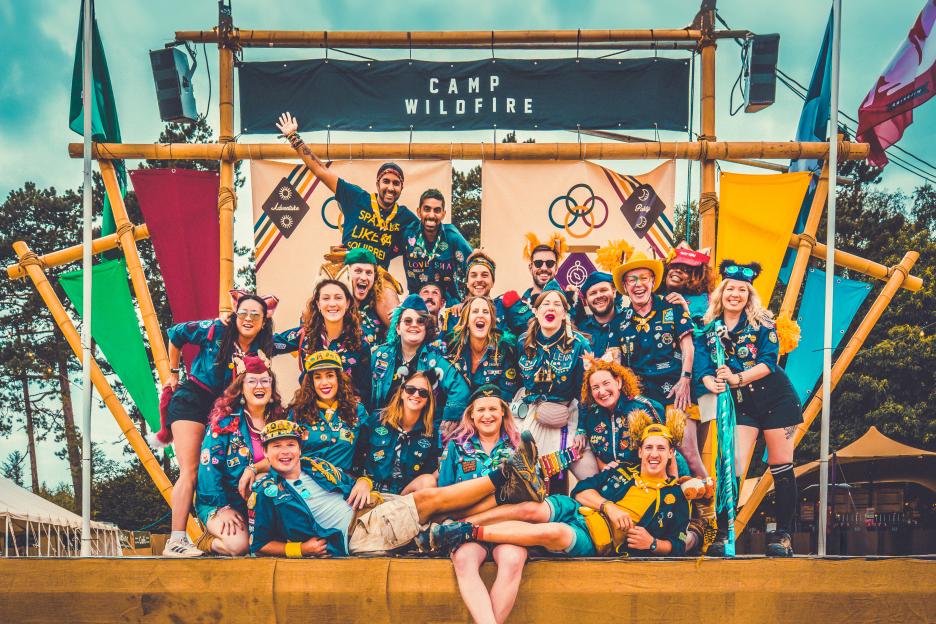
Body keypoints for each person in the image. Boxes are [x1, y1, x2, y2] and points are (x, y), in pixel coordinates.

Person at [249, 420, 545, 557]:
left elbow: (353, 483)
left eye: (290, 445)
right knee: (431, 499)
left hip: (372, 510)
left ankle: (510, 493)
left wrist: (363, 482)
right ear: (267, 452)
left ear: (300, 449)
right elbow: (259, 543)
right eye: (276, 447)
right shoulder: (269, 492)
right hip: (358, 534)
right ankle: (505, 475)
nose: (285, 452)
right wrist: (299, 549)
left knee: (449, 510)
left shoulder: (317, 466)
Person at [439, 410, 693, 558]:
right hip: (576, 508)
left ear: (672, 453)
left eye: (661, 448)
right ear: (639, 452)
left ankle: (465, 532)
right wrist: (609, 507)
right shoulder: (624, 471)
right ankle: (455, 524)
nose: (654, 454)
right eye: (649, 447)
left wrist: (652, 543)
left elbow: (681, 544)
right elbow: (581, 491)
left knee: (555, 532)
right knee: (532, 508)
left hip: (595, 538)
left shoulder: (675, 497)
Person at [159, 291, 282, 557]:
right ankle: (176, 539)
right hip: (194, 399)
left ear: (264, 321)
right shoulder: (215, 329)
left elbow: (293, 343)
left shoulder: (262, 348)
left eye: (255, 315)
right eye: (244, 313)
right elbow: (175, 334)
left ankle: (226, 527)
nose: (248, 319)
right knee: (191, 470)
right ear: (236, 315)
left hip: (224, 405)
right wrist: (173, 372)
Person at [697, 260, 802, 557]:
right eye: (730, 288)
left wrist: (736, 378)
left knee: (781, 465)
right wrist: (710, 381)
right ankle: (722, 533)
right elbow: (703, 365)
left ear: (749, 295)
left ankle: (782, 536)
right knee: (732, 464)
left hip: (777, 401)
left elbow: (770, 362)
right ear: (721, 292)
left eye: (742, 290)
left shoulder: (763, 323)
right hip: (742, 405)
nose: (735, 294)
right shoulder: (708, 328)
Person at [275, 112, 417, 267]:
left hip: (378, 276)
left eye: (396, 183)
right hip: (347, 269)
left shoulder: (405, 217)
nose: (390, 188)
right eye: (386, 182)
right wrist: (294, 138)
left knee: (391, 293)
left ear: (401, 188)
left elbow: (425, 236)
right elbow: (322, 171)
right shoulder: (356, 197)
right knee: (324, 288)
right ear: (377, 184)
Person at [438, 385, 526, 624]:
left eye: (493, 409)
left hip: (507, 526)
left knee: (514, 559)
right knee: (464, 559)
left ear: (503, 413)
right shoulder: (456, 447)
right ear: (472, 415)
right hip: (468, 527)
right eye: (481, 410)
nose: (487, 415)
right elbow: (444, 493)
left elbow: (532, 492)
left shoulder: (519, 448)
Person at [194, 353, 285, 556]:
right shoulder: (225, 423)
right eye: (252, 381)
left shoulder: (281, 421)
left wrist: (256, 469)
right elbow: (209, 469)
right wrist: (222, 507)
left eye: (265, 381)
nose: (259, 386)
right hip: (224, 501)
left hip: (267, 502)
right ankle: (206, 542)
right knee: (239, 546)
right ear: (241, 388)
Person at [515, 279, 596, 490]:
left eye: (557, 304)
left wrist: (582, 430)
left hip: (566, 413)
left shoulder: (579, 344)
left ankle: (562, 510)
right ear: (536, 311)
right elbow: (514, 383)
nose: (551, 307)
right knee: (526, 473)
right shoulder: (523, 342)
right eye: (545, 304)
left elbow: (585, 392)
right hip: (530, 411)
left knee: (585, 474)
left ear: (565, 313)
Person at [610, 250, 695, 414]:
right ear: (626, 287)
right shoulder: (618, 321)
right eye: (631, 280)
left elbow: (688, 347)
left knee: (687, 439)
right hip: (638, 396)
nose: (638, 284)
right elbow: (616, 362)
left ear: (653, 281)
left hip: (676, 389)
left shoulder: (672, 306)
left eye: (644, 278)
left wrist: (685, 379)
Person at [371, 295, 470, 432]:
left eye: (420, 321)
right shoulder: (380, 355)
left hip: (419, 434)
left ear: (426, 328)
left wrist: (446, 420)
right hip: (381, 430)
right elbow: (365, 390)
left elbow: (460, 389)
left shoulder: (435, 360)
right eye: (407, 321)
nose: (414, 325)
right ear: (398, 328)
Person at [275, 276, 372, 408]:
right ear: (318, 304)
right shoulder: (305, 335)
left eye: (338, 298)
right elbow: (271, 344)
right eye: (326, 298)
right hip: (310, 413)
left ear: (348, 303)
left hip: (347, 416)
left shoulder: (360, 342)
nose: (332, 303)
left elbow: (365, 390)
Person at [359, 370, 443, 495]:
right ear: (402, 392)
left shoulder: (431, 434)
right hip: (371, 489)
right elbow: (357, 455)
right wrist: (362, 480)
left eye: (423, 392)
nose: (416, 394)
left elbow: (429, 472)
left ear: (428, 400)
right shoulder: (378, 419)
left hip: (404, 495)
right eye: (410, 389)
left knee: (428, 481)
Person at [288, 350, 369, 472]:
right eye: (318, 377)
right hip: (305, 483)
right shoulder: (298, 412)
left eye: (330, 375)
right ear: (311, 382)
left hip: (341, 485)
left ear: (338, 378)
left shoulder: (357, 410)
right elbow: (286, 452)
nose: (324, 383)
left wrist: (363, 479)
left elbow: (367, 450)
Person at [579, 357, 664, 470]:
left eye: (606, 383)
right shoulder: (592, 417)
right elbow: (597, 454)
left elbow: (666, 451)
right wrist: (604, 466)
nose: (602, 391)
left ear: (618, 382)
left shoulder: (644, 409)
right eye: (595, 387)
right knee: (582, 488)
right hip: (612, 479)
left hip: (645, 477)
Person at [403, 188, 474, 306]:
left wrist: (469, 299)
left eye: (437, 210)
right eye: (427, 209)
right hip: (416, 302)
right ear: (418, 212)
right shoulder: (408, 234)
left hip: (449, 304)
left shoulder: (452, 237)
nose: (431, 215)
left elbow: (474, 264)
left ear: (443, 214)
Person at [438, 251, 532, 340]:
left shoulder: (504, 307)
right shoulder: (455, 313)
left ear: (492, 282)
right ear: (467, 282)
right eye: (473, 275)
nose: (479, 279)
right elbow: (440, 348)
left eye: (484, 275)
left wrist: (515, 306)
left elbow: (530, 331)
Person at [446, 295, 520, 401]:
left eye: (485, 312)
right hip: (460, 409)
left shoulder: (505, 349)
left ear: (491, 322)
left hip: (492, 410)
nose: (480, 315)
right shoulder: (452, 347)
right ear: (466, 321)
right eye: (475, 311)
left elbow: (506, 393)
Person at [337, 248, 399, 349]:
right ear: (346, 273)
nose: (364, 277)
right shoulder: (335, 305)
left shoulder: (377, 305)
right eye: (358, 271)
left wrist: (403, 313)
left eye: (369, 273)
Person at [574, 271, 621, 358]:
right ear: (586, 301)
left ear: (614, 292)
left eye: (603, 290)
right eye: (593, 293)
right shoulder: (580, 331)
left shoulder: (628, 324)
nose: (598, 296)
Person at [520, 232, 566, 308]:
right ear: (530, 268)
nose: (544, 268)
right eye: (538, 263)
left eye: (550, 263)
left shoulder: (571, 303)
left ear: (556, 268)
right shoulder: (517, 307)